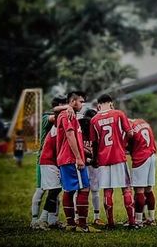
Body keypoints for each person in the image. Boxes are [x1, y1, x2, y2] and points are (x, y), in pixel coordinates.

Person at [90, 94, 136, 229]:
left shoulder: (94, 119)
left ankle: (110, 223)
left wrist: (94, 158)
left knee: (107, 191)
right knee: (126, 189)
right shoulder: (118, 114)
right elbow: (130, 133)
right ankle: (132, 222)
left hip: (103, 159)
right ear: (111, 103)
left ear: (99, 105)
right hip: (118, 156)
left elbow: (94, 142)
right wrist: (123, 144)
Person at [57, 91, 100, 232]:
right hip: (71, 159)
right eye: (81, 101)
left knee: (68, 190)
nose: (82, 104)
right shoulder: (67, 115)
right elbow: (70, 136)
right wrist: (78, 157)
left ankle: (70, 224)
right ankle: (82, 226)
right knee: (84, 189)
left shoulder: (68, 114)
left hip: (65, 158)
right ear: (73, 101)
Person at [30, 96, 73, 229]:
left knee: (55, 190)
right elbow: (55, 115)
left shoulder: (62, 121)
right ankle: (35, 220)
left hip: (56, 158)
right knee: (41, 190)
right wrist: (69, 108)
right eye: (65, 104)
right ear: (60, 105)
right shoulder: (48, 117)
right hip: (44, 158)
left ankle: (52, 220)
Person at [128, 118, 157, 227]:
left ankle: (138, 220)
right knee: (149, 189)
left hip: (141, 158)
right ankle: (151, 218)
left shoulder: (129, 127)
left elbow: (127, 145)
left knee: (139, 190)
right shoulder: (142, 121)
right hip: (152, 155)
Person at [78, 108, 105, 227]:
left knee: (95, 190)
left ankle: (96, 217)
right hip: (83, 164)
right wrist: (87, 158)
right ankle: (77, 217)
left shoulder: (97, 132)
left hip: (94, 165)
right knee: (80, 191)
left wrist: (96, 159)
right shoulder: (79, 131)